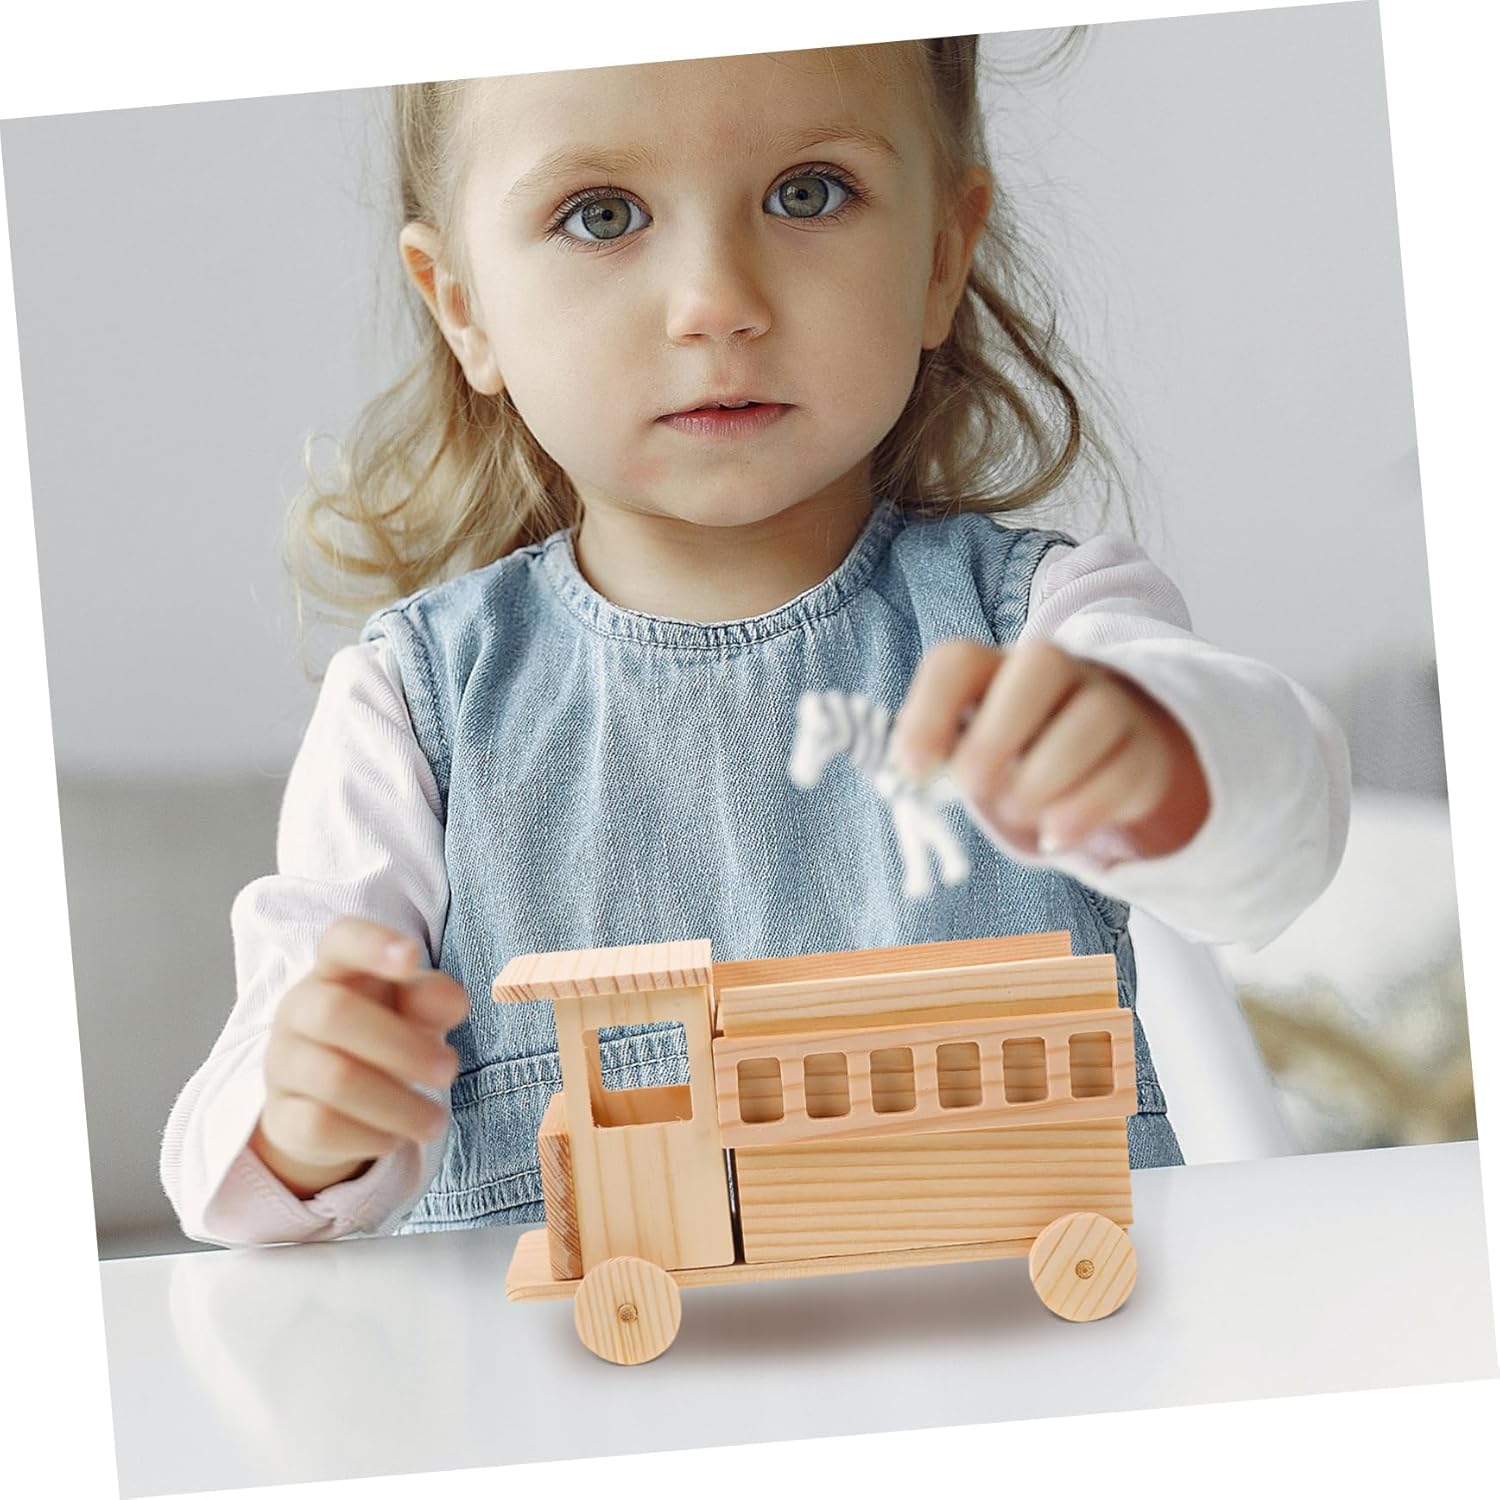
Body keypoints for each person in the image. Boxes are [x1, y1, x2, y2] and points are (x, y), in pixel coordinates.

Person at [160, 37, 1350, 1246]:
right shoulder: (414, 708)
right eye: (602, 214)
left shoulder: (1044, 627)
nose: (716, 301)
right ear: (463, 306)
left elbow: (1284, 835)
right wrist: (304, 1122)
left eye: (809, 192)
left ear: (942, 255)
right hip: (572, 1373)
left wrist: (1162, 762)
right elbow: (245, 1142)